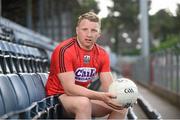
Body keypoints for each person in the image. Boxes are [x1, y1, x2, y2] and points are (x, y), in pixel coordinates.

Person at [45, 11, 128, 119]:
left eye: (94, 30)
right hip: (57, 98)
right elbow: (69, 88)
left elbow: (109, 86)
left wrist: (125, 97)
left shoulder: (102, 54)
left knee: (121, 105)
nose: (89, 34)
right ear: (77, 30)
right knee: (83, 103)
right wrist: (101, 96)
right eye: (85, 29)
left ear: (99, 33)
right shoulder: (64, 50)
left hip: (81, 97)